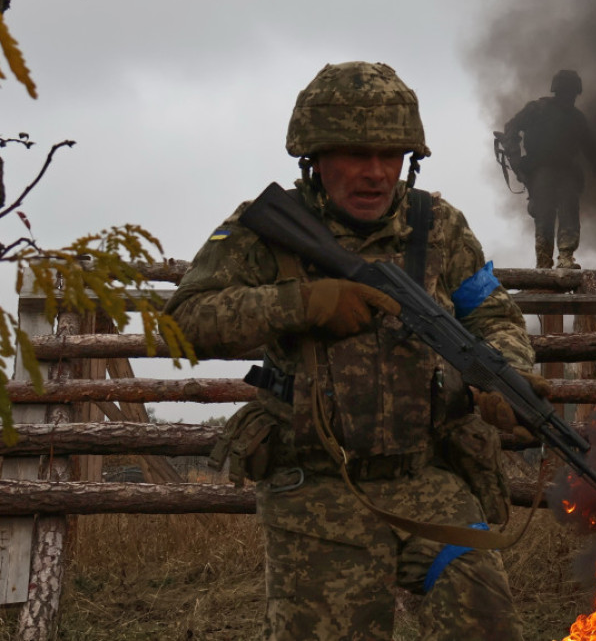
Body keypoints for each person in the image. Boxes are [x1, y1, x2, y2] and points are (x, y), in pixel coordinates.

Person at [163, 62, 549, 641]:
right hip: (316, 492)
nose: (374, 173)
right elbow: (182, 323)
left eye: (390, 156)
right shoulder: (265, 229)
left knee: (488, 623)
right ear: (314, 157)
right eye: (353, 154)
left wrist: (505, 377)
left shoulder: (438, 226)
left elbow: (491, 312)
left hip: (428, 477)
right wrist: (302, 303)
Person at [501, 69, 596, 269]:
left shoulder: (576, 118)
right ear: (559, 90)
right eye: (568, 92)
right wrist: (515, 157)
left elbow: (589, 144)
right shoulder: (537, 109)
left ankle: (565, 257)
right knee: (544, 215)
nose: (570, 97)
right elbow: (511, 128)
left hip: (567, 172)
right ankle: (544, 261)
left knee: (569, 214)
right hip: (541, 170)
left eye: (573, 93)